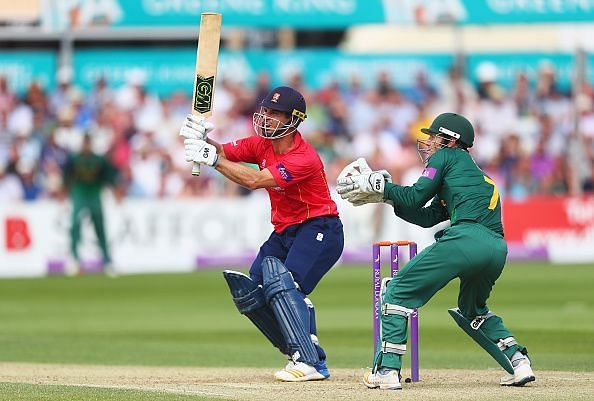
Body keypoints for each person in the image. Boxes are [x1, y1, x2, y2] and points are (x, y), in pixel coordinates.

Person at [336, 113, 535, 390]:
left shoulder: (446, 158)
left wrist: (385, 187)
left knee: (397, 291)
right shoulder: (474, 176)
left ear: (451, 141)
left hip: (465, 239)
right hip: (496, 249)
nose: (428, 142)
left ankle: (388, 371)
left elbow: (416, 196)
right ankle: (519, 361)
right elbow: (427, 216)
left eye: (434, 137)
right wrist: (386, 196)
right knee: (472, 310)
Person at [180, 86, 344, 381]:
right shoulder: (261, 145)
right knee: (252, 295)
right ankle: (308, 352)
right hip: (284, 230)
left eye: (275, 113)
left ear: (294, 120)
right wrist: (200, 139)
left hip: (320, 228)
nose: (266, 117)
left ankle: (308, 362)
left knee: (284, 287)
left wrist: (212, 160)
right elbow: (222, 151)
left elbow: (256, 180)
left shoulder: (303, 157)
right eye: (265, 111)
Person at [63, 134, 117, 276]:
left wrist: (114, 190)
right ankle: (74, 259)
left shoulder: (98, 160)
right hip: (79, 193)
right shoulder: (74, 159)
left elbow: (109, 176)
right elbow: (66, 176)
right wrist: (64, 192)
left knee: (100, 226)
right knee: (75, 224)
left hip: (94, 193)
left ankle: (106, 260)